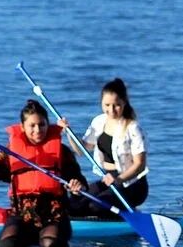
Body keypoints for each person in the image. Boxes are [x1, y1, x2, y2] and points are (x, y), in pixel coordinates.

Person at [0, 99, 88, 247]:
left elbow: (81, 183)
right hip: (22, 217)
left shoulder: (62, 152)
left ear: (47, 124)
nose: (38, 130)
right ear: (22, 127)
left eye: (42, 125)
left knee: (50, 245)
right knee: (7, 246)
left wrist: (78, 187)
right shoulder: (11, 153)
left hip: (54, 217)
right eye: (32, 126)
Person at [59, 78, 149, 218]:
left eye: (116, 105)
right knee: (74, 206)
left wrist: (119, 179)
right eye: (107, 105)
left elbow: (140, 165)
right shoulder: (99, 122)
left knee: (95, 206)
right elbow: (81, 150)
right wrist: (68, 132)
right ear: (101, 103)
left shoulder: (133, 127)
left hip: (132, 185)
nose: (111, 110)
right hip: (107, 179)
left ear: (124, 103)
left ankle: (129, 215)